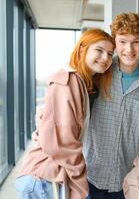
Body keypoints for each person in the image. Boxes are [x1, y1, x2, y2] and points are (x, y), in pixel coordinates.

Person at [15, 29, 115, 199]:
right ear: (82, 49)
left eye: (110, 54)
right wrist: (80, 182)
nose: (105, 58)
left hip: (49, 177)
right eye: (99, 50)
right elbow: (63, 142)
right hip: (44, 178)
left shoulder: (82, 83)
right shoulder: (67, 81)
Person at [83, 13, 139, 199]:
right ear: (114, 43)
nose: (129, 49)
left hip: (125, 181)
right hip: (89, 177)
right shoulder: (98, 73)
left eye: (135, 42)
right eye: (122, 42)